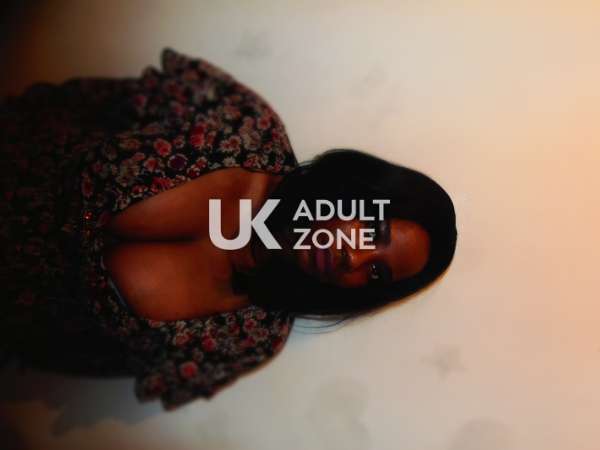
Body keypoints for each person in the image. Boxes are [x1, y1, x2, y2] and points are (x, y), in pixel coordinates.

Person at [0, 48, 457, 411]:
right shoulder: (241, 125)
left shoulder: (246, 338)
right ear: (357, 189)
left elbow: (82, 353)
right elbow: (86, 103)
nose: (352, 257)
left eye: (376, 273)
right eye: (373, 229)